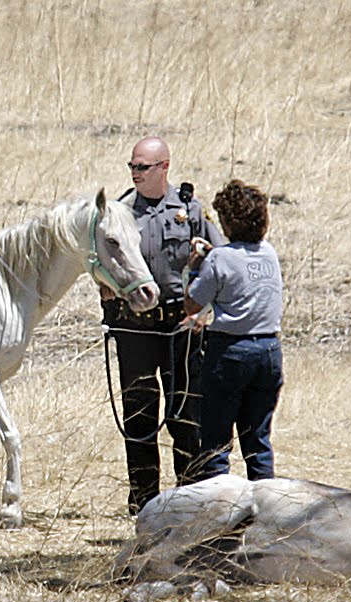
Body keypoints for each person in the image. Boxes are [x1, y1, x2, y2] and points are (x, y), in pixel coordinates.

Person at [104, 135, 226, 514]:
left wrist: (205, 312)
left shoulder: (189, 211)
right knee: (139, 415)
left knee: (185, 415)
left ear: (164, 168)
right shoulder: (120, 212)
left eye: (143, 167)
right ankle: (144, 502)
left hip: (180, 327)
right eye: (132, 166)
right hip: (135, 327)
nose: (135, 173)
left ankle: (189, 498)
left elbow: (222, 261)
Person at [182, 180, 285, 481]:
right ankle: (267, 509)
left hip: (230, 352)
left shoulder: (218, 259)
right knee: (258, 442)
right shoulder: (269, 253)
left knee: (216, 442)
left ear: (227, 221)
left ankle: (220, 515)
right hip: (268, 351)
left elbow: (192, 304)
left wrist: (194, 268)